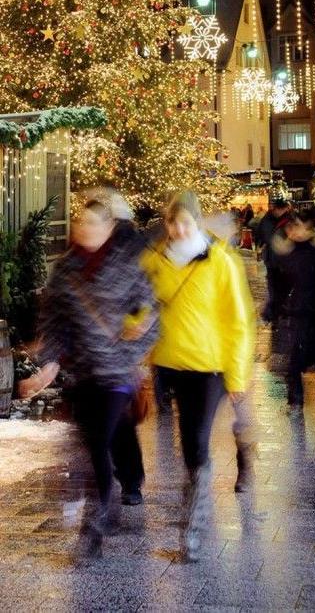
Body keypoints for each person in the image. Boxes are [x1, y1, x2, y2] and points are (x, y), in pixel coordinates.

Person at [18, 189, 157, 558]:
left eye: (94, 223)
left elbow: (151, 311)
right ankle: (105, 502)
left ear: (109, 227)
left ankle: (96, 518)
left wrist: (137, 339)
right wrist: (48, 364)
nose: (85, 229)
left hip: (116, 373)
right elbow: (52, 321)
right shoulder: (65, 269)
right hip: (81, 376)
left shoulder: (127, 264)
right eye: (82, 223)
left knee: (97, 441)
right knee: (88, 444)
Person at [142, 190, 254, 562]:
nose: (177, 229)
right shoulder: (155, 259)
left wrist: (237, 377)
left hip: (209, 368)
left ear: (197, 220)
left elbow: (238, 322)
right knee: (187, 440)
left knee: (196, 440)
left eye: (185, 221)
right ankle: (195, 508)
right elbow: (139, 301)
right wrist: (133, 325)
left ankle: (192, 524)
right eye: (172, 222)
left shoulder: (220, 261)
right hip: (169, 362)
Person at [274, 214, 315, 410]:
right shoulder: (289, 253)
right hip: (298, 315)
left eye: (297, 227)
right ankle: (296, 402)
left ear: (308, 228)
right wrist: (275, 307)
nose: (293, 231)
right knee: (294, 362)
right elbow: (282, 284)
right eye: (291, 228)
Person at [255, 193, 293, 327]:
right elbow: (259, 234)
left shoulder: (289, 220)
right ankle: (273, 314)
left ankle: (275, 312)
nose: (280, 211)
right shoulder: (267, 219)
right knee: (273, 288)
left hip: (284, 262)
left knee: (281, 288)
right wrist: (261, 246)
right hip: (271, 260)